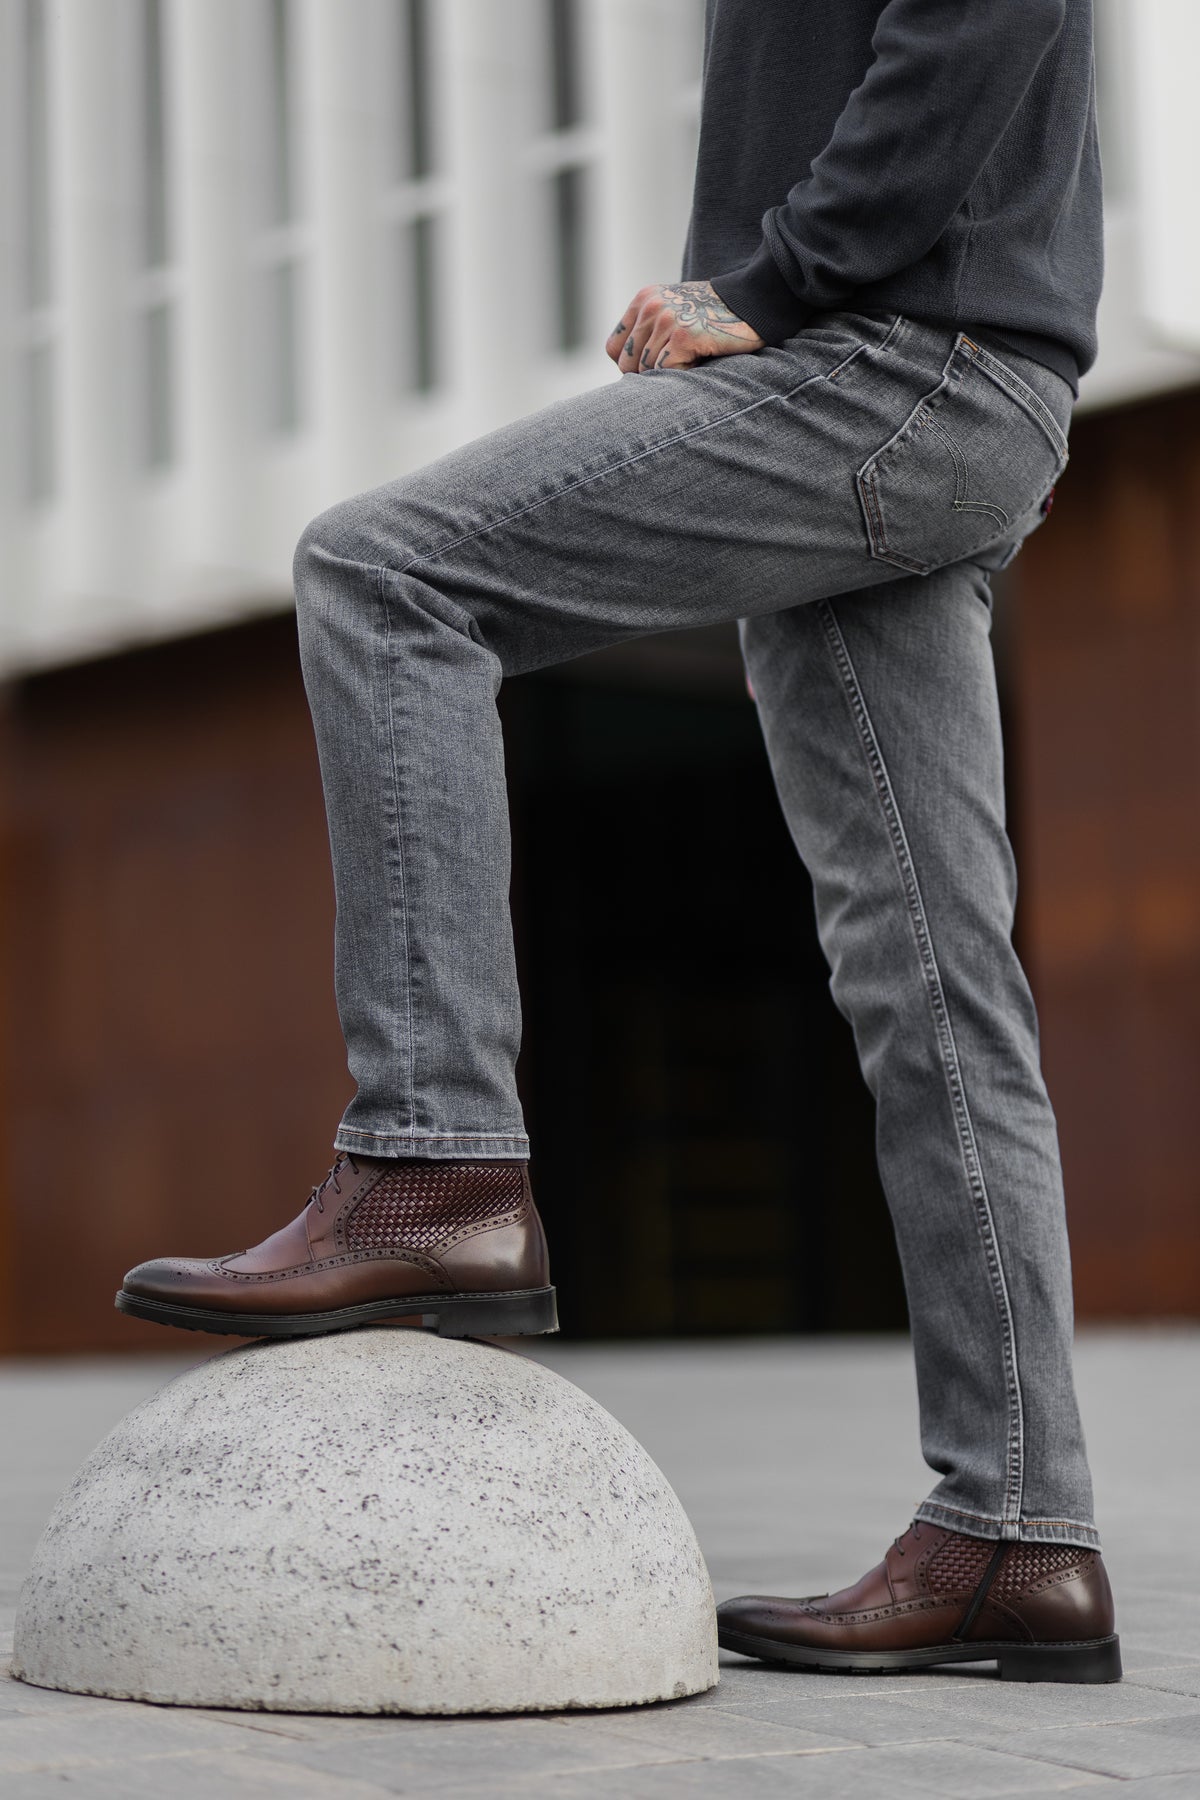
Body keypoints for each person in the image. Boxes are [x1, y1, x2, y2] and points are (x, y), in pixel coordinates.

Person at [117, 0, 1120, 1681]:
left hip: (893, 357)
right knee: (936, 984)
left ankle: (432, 1164)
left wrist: (778, 278)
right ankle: (1022, 1530)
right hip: (934, 368)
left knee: (385, 579)